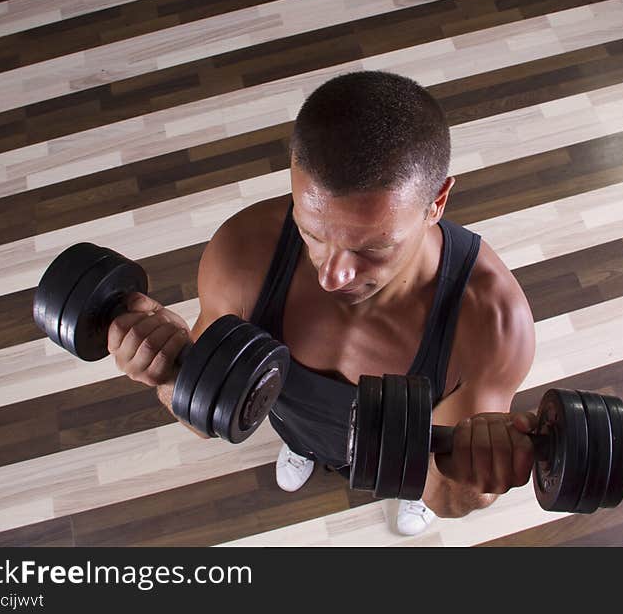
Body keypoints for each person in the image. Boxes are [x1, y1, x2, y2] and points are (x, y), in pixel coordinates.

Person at [107, 70, 537, 537]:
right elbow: (204, 412)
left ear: (437, 201)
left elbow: (450, 498)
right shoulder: (242, 254)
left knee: (418, 485)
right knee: (298, 431)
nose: (332, 275)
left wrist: (468, 475)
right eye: (312, 234)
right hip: (294, 422)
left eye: (370, 248)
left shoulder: (492, 326)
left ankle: (404, 491)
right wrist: (167, 372)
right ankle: (303, 447)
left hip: (416, 457)